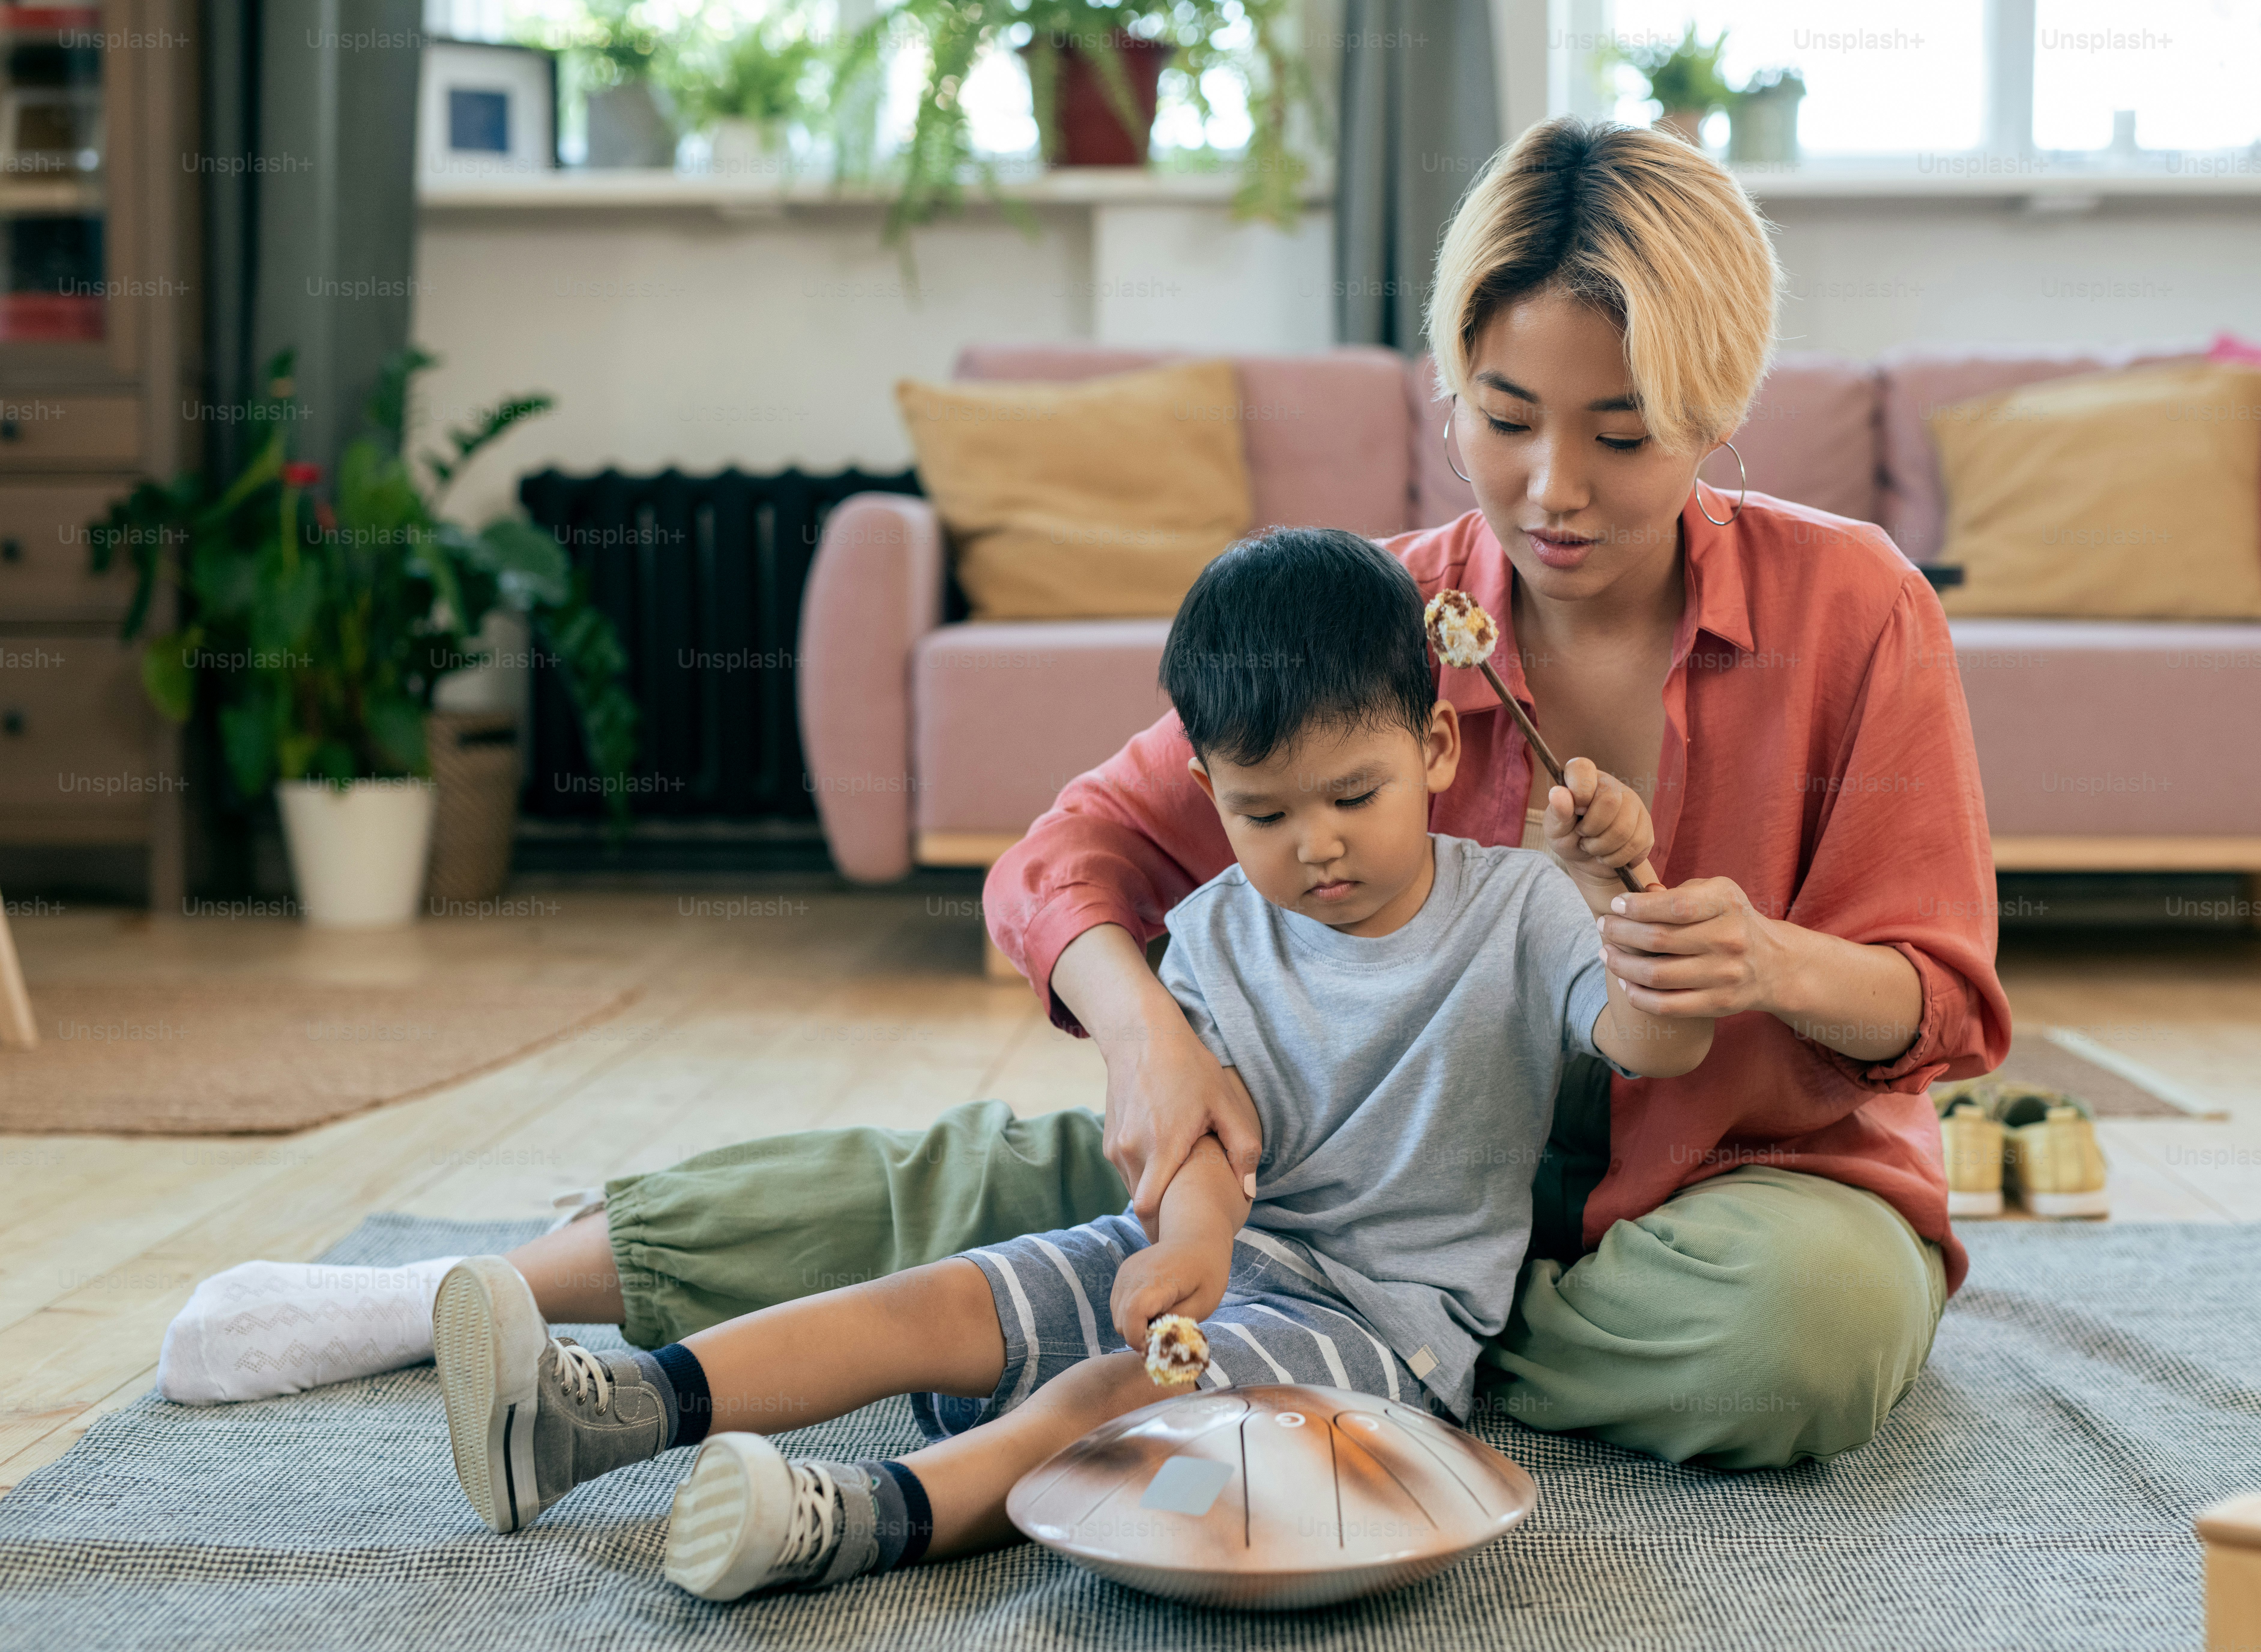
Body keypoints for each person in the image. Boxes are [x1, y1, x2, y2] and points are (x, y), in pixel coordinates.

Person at [159, 115, 2008, 1470]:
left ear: (1720, 403)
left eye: (1623, 434)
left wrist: (1761, 962)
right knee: (992, 1172)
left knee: (1811, 1335)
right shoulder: (1378, 617)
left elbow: (1944, 1000)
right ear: (1454, 385)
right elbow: (1072, 855)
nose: (1553, 487)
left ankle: (1380, 1342)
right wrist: (1144, 1040)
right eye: (1506, 416)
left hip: (1731, 1190)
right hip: (1340, 1165)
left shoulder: (1854, 609)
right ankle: (459, 1297)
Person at [422, 529, 1707, 1600]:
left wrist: (1619, 903)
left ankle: (853, 1517)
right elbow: (1215, 1136)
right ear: (1208, 789)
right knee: (932, 1297)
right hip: (1228, 1260)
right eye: (1263, 813)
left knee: (1107, 1390)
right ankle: (600, 1416)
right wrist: (1191, 1250)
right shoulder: (1211, 931)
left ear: (1436, 748)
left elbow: (1659, 1043)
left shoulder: (1528, 910)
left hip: (1386, 1338)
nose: (1315, 844)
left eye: (1352, 796)